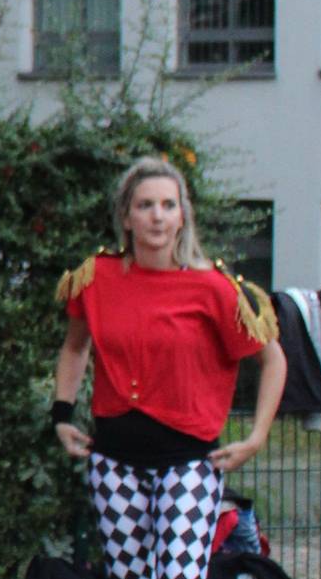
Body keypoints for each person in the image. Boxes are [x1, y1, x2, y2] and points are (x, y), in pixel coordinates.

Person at [50, 156, 286, 579]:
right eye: (145, 206)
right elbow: (74, 348)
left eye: (168, 205)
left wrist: (256, 437)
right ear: (126, 216)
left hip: (190, 460)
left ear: (182, 216)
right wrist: (62, 414)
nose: (157, 216)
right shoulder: (97, 277)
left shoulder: (213, 287)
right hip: (115, 460)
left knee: (179, 573)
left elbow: (273, 360)